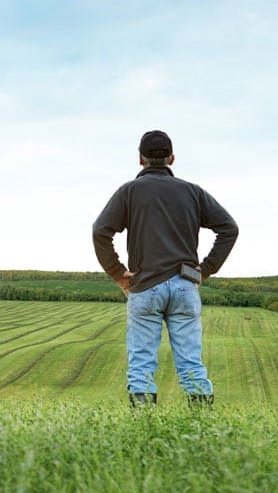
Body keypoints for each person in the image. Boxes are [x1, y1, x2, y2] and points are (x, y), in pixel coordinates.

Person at [92, 130, 238, 406]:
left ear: (140, 160)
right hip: (185, 284)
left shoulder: (129, 192)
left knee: (142, 367)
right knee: (191, 364)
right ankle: (202, 432)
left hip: (144, 286)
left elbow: (101, 231)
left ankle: (144, 432)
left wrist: (118, 274)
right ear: (171, 158)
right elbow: (229, 229)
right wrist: (205, 270)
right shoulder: (193, 192)